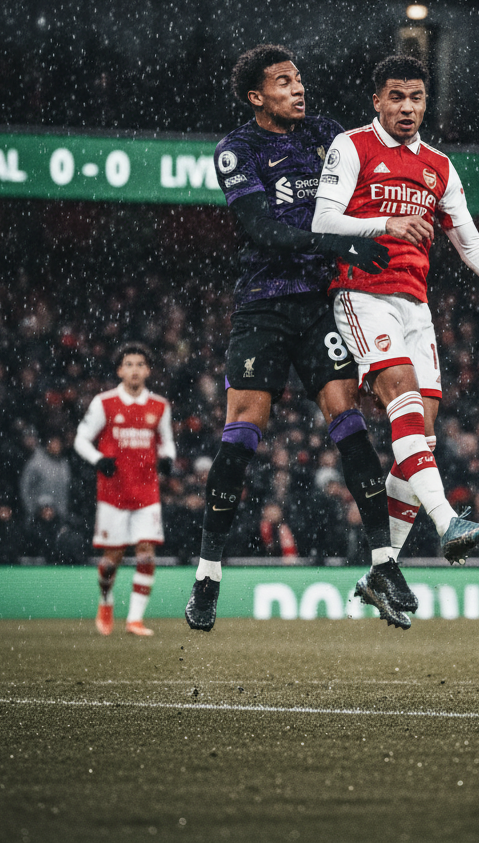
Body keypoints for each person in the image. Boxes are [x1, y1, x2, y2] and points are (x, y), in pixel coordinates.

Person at [313, 54, 479, 600]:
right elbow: (323, 220)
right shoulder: (352, 146)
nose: (407, 108)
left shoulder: (439, 166)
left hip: (415, 305)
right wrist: (386, 222)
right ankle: (448, 523)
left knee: (423, 436)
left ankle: (382, 568)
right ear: (377, 100)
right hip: (362, 292)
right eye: (396, 97)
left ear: (425, 103)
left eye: (416, 98)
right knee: (403, 406)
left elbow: (471, 243)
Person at [183, 44, 416, 633]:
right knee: (242, 435)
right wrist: (335, 243)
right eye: (283, 81)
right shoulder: (238, 149)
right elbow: (260, 228)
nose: (299, 87)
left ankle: (384, 565)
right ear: (257, 96)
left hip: (321, 307)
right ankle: (208, 575)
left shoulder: (328, 135)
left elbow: (360, 190)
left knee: (351, 426)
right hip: (265, 307)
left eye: (299, 78)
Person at [74, 342, 175, 637]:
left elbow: (167, 441)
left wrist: (168, 458)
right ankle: (106, 600)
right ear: (120, 370)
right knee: (110, 561)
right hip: (113, 494)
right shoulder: (104, 403)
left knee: (145, 555)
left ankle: (134, 620)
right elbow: (81, 439)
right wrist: (98, 459)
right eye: (128, 364)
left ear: (148, 370)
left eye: (139, 364)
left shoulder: (159, 406)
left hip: (147, 493)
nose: (134, 369)